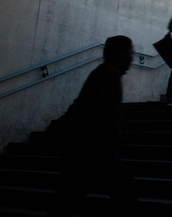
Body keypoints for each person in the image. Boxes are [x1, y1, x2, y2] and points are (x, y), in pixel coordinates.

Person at [47, 35, 138, 217]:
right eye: (130, 53)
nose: (132, 58)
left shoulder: (103, 73)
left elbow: (81, 106)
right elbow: (95, 111)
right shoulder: (108, 75)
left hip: (86, 150)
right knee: (127, 195)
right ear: (121, 54)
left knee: (67, 199)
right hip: (95, 150)